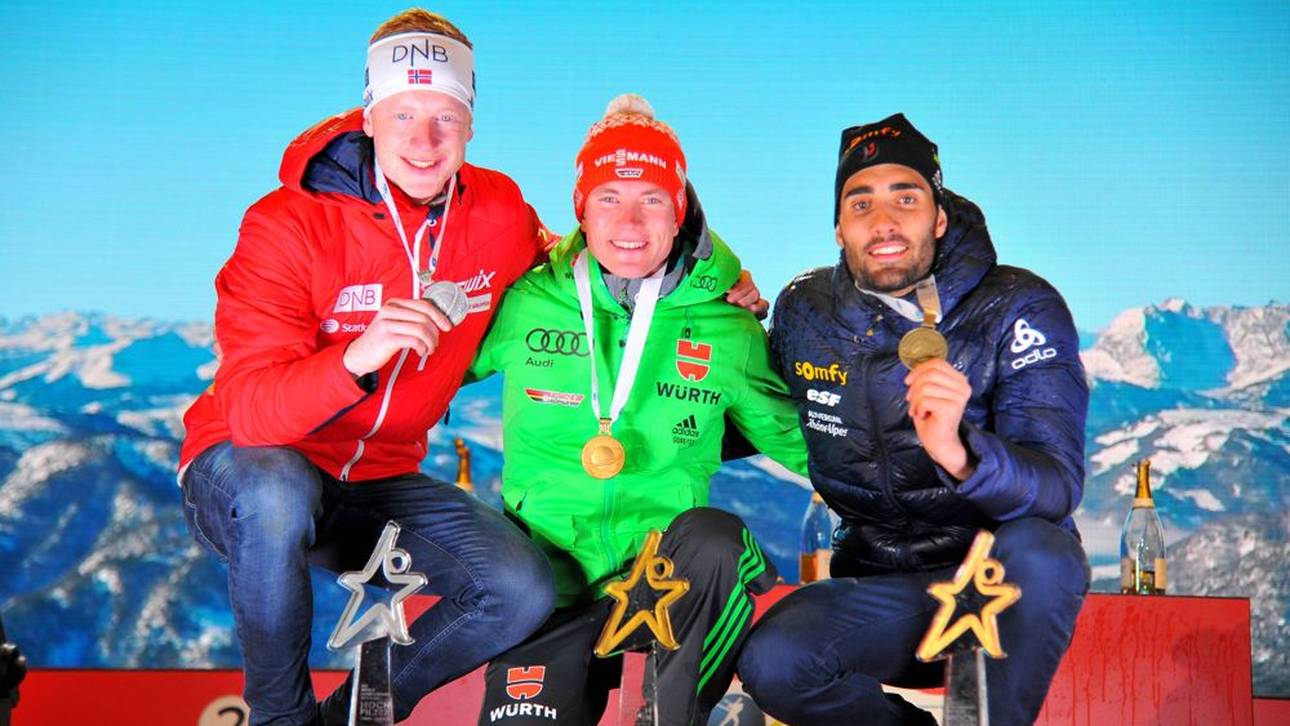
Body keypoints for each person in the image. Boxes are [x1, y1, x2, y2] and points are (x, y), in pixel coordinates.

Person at [177, 10, 562, 725]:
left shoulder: (499, 211)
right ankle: (280, 718)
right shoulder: (287, 223)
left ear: (471, 124)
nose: (424, 140)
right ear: (370, 115)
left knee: (518, 587)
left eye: (445, 116)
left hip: (378, 477)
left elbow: (582, 261)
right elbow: (253, 413)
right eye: (405, 113)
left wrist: (703, 276)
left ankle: (353, 717)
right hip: (250, 469)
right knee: (276, 490)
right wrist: (355, 357)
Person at [736, 114, 1090, 725]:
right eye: (861, 202)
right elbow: (736, 421)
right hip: (881, 593)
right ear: (839, 228)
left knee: (1044, 549)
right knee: (777, 659)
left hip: (998, 585)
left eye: (907, 197)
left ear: (940, 214)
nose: (884, 221)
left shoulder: (1017, 306)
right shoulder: (806, 311)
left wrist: (960, 451)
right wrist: (705, 333)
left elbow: (1056, 485)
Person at [466, 95, 808, 726]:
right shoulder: (526, 300)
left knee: (716, 538)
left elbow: (808, 442)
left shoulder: (726, 326)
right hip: (548, 585)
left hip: (669, 581)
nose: (628, 220)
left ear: (679, 212)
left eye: (651, 197)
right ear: (581, 210)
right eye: (607, 198)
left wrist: (933, 472)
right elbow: (419, 383)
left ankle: (671, 716)